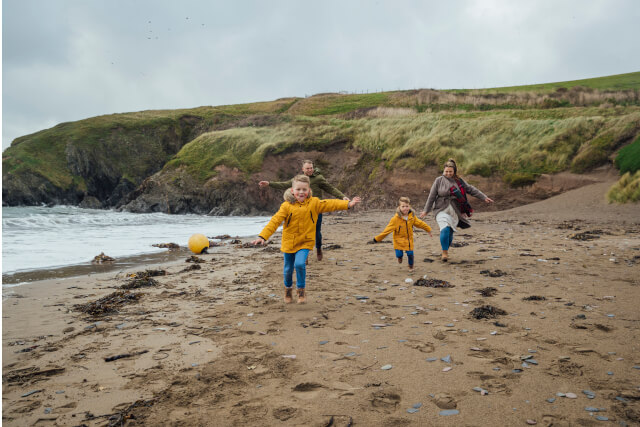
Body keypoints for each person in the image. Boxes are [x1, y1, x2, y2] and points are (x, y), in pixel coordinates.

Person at [252, 175, 361, 304]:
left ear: (309, 190)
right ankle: (288, 289)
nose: (301, 192)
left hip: (305, 242)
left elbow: (330, 204)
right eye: (298, 189)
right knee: (287, 269)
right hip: (289, 243)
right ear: (292, 191)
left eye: (304, 189)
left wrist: (348, 204)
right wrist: (262, 236)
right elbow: (275, 221)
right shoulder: (286, 206)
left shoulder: (314, 203)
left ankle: (301, 291)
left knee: (299, 264)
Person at [259, 160, 349, 261]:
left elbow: (330, 189)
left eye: (311, 168)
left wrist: (342, 197)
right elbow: (284, 184)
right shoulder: (298, 180)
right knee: (300, 232)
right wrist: (269, 184)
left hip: (315, 208)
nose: (310, 170)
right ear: (303, 169)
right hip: (300, 208)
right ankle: (303, 254)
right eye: (307, 168)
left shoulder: (319, 178)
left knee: (317, 232)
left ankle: (318, 248)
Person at [419, 159, 494, 262]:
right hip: (441, 208)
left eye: (450, 171)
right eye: (446, 171)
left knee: (449, 232)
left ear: (454, 171)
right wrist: (426, 210)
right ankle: (444, 253)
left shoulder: (459, 181)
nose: (448, 173)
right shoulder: (439, 180)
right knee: (444, 228)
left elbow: (471, 189)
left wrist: (484, 197)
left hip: (455, 210)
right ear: (443, 171)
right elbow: (431, 196)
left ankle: (446, 249)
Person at [371, 197, 432, 271]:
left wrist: (428, 229)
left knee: (410, 254)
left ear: (410, 207)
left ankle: (411, 266)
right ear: (399, 207)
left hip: (408, 240)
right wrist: (377, 239)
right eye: (403, 206)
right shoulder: (395, 219)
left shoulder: (412, 217)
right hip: (398, 240)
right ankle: (400, 257)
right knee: (399, 254)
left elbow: (420, 223)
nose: (405, 208)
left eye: (407, 206)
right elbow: (387, 230)